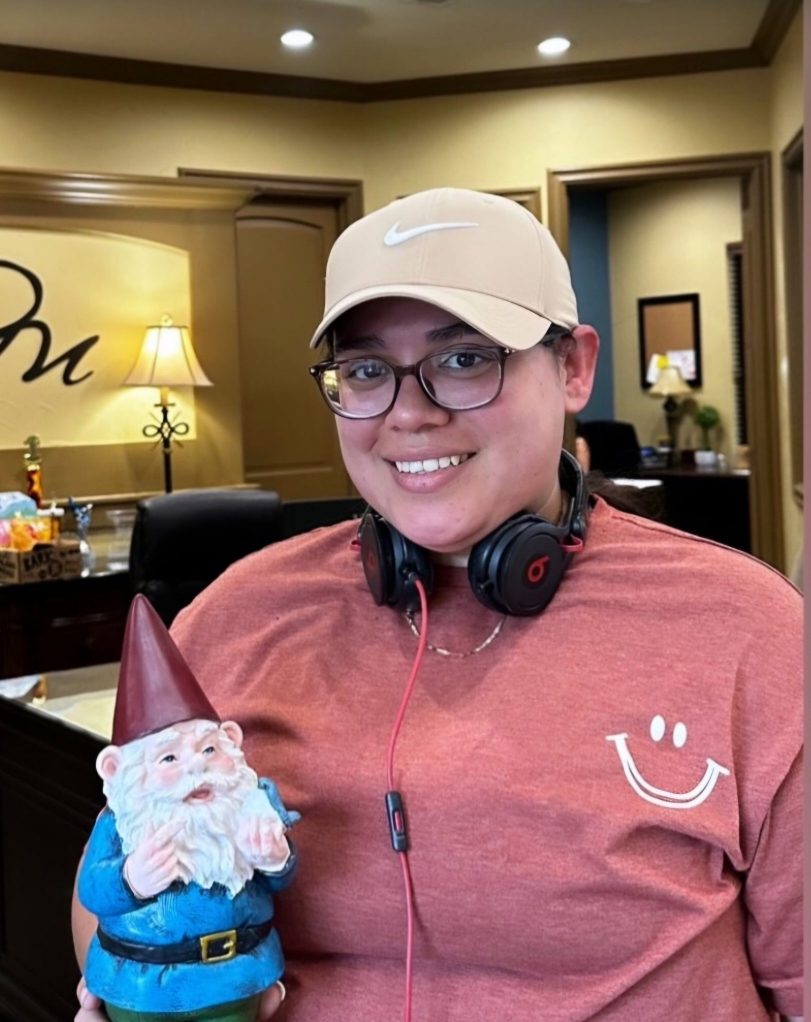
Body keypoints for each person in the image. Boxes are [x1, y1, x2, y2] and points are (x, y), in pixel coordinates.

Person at [74, 187, 803, 1021]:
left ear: (572, 367)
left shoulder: (747, 629)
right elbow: (104, 908)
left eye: (464, 359)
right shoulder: (234, 616)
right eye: (366, 370)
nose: (409, 414)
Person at [77, 595, 299, 1022]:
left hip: (234, 980)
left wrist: (276, 860)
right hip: (139, 985)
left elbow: (279, 880)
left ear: (232, 741)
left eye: (209, 749)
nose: (195, 767)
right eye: (169, 759)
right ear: (117, 770)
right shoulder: (123, 824)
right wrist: (130, 881)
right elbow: (92, 890)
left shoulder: (249, 804)